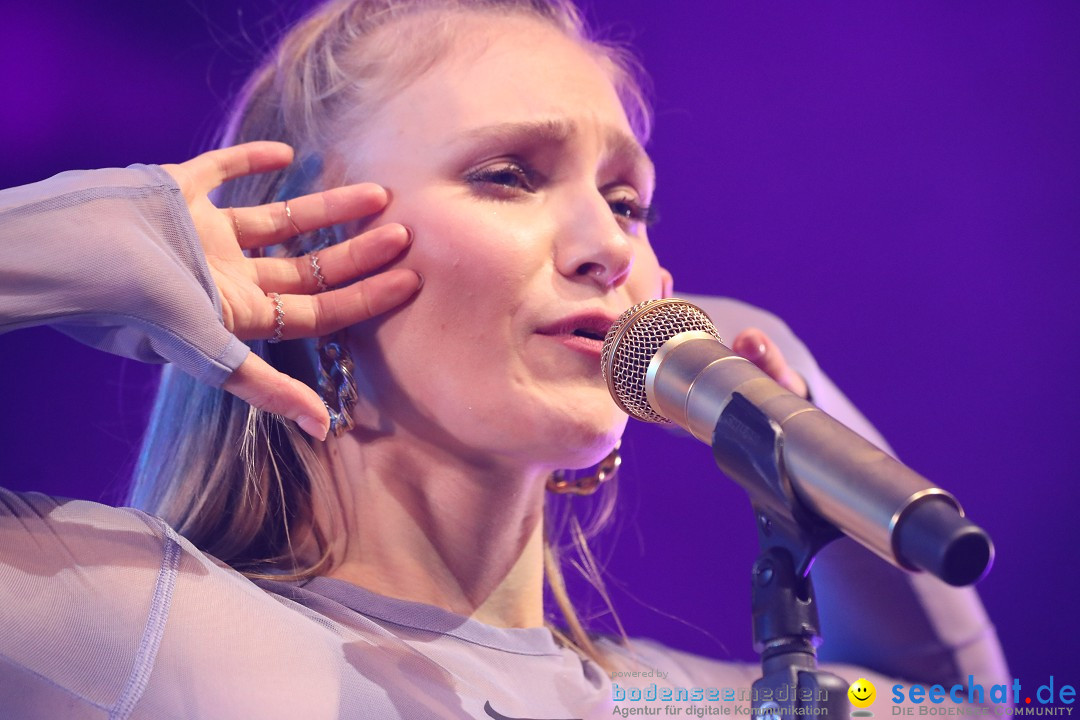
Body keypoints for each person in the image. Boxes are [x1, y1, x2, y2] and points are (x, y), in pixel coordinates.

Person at [0, 0, 1007, 718]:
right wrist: (83, 244)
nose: (612, 247)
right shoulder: (110, 619)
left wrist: (776, 364)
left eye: (627, 202)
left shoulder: (684, 705)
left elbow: (965, 704)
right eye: (508, 175)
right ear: (298, 251)